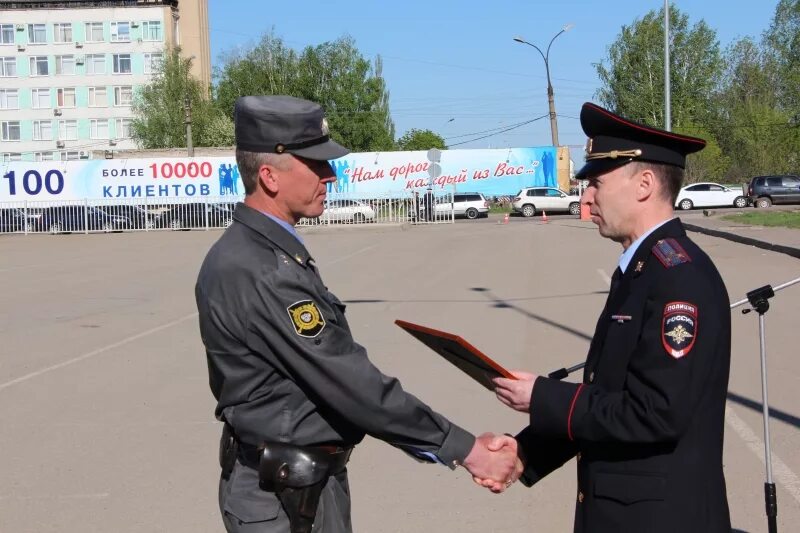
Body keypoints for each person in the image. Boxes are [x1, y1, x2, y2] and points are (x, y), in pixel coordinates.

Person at [195, 95, 520, 533]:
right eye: (315, 165)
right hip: (280, 499)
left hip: (296, 482)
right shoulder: (264, 270)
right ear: (270, 176)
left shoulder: (261, 253)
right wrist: (466, 449)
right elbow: (352, 383)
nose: (330, 175)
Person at [488, 102, 732, 532]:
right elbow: (609, 397)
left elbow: (655, 412)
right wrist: (525, 452)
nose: (586, 197)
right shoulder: (642, 270)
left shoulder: (678, 279)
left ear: (644, 184)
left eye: (597, 184)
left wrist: (543, 398)